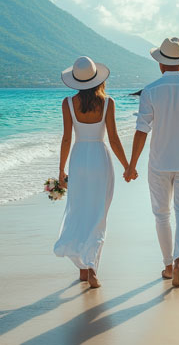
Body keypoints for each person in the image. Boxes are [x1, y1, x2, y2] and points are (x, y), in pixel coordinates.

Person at [125, 37, 179, 288]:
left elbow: (142, 130)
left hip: (159, 162)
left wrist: (131, 165)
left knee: (161, 215)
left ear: (160, 64)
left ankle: (167, 265)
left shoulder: (151, 91)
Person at [53, 56, 135, 288]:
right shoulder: (108, 103)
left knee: (79, 211)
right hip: (100, 158)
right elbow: (114, 138)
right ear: (97, 79)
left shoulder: (68, 103)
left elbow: (67, 138)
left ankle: (82, 268)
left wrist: (61, 170)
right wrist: (127, 166)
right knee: (98, 214)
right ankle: (92, 269)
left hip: (78, 160)